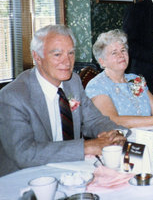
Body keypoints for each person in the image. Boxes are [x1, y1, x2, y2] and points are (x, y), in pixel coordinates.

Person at [0, 25, 126, 177]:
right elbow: (25, 154)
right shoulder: (13, 96)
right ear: (37, 57)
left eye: (71, 53)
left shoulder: (73, 82)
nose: (67, 62)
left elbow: (95, 120)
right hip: (24, 178)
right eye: (57, 54)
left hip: (69, 171)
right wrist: (85, 147)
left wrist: (116, 134)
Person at [85, 29, 153, 128]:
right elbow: (113, 121)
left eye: (123, 50)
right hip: (122, 140)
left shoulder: (135, 79)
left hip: (150, 135)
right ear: (102, 62)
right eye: (114, 53)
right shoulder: (97, 85)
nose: (121, 55)